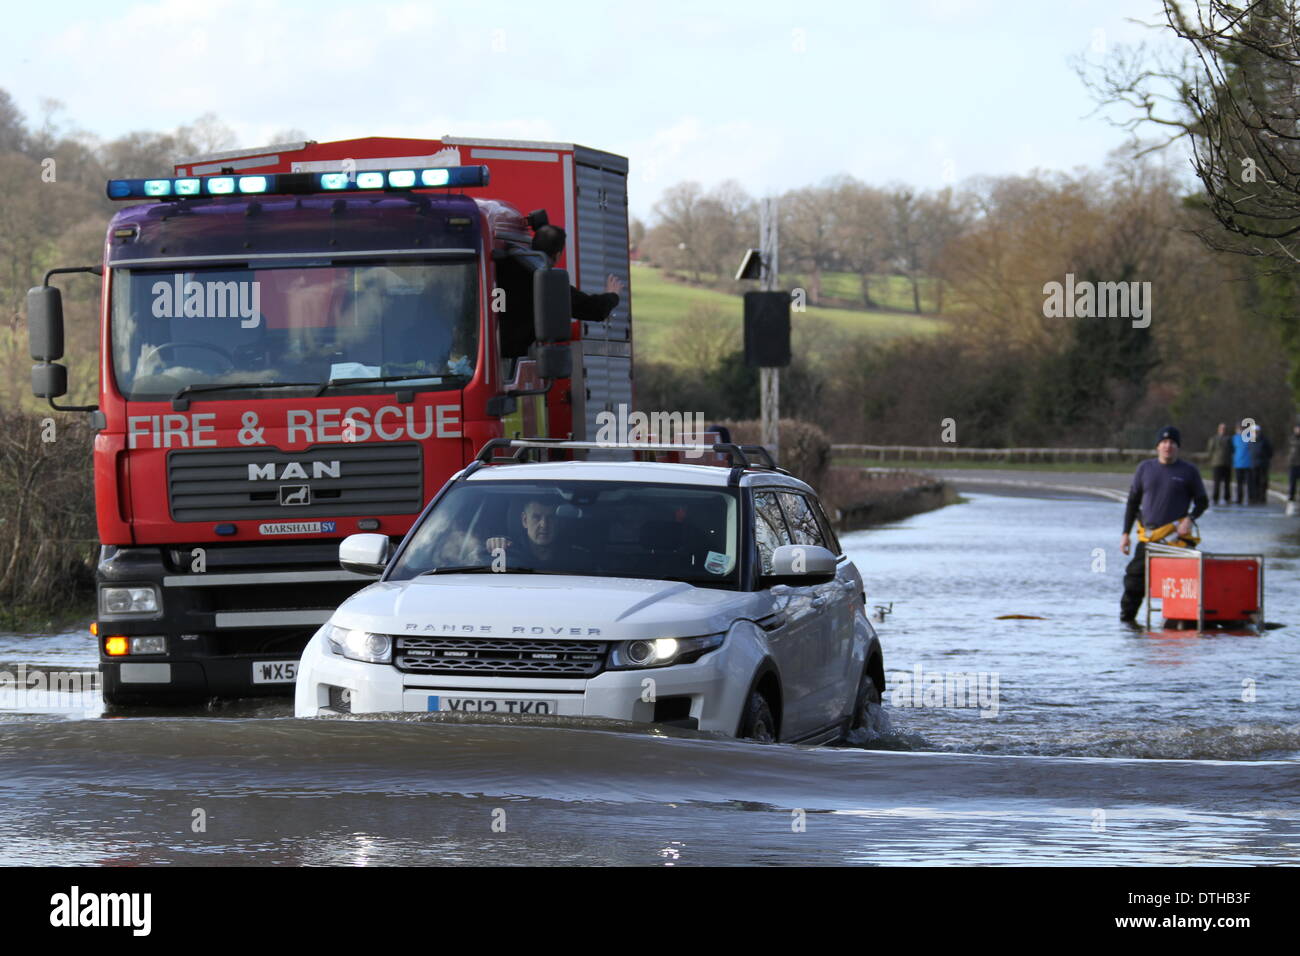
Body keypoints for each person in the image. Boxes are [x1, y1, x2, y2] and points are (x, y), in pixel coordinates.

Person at [1119, 426, 1209, 624]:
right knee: (1134, 579)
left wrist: (1190, 519)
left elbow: (1202, 502)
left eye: (1172, 443)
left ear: (1177, 447)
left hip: (1176, 540)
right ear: (1157, 446)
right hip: (1149, 537)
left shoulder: (1189, 471)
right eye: (1164, 442)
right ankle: (1127, 624)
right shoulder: (1145, 468)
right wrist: (1125, 533)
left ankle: (1179, 620)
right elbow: (1133, 502)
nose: (1168, 446)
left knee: (1182, 583)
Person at [485, 496, 587, 571]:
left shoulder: (577, 559)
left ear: (558, 522)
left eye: (550, 518)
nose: (544, 525)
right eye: (536, 517)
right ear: (525, 520)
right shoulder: (505, 553)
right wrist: (491, 546)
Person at [1205, 422, 1233, 505]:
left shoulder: (1229, 439)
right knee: (1217, 482)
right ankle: (1215, 498)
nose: (1223, 430)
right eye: (1221, 428)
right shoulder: (1213, 439)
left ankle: (1227, 498)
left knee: (1227, 482)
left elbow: (1232, 450)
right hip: (1217, 463)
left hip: (1227, 463)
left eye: (1224, 429)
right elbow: (1210, 450)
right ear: (1219, 429)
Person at [1250, 424, 1273, 504]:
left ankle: (1262, 497)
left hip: (1263, 464)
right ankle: (1255, 497)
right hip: (1254, 463)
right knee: (1254, 481)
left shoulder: (1265, 440)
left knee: (1263, 481)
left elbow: (1270, 451)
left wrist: (1265, 458)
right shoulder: (1251, 440)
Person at [1232, 421, 1252, 505]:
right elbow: (1232, 450)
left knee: (1249, 483)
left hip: (1248, 463)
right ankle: (1239, 498)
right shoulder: (1234, 438)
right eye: (1239, 428)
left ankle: (1250, 498)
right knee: (1239, 483)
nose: (1240, 430)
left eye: (1242, 428)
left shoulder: (1249, 437)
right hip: (1238, 464)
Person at [1288, 424, 1300, 501]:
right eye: (1297, 429)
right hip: (1293, 463)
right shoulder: (1292, 438)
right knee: (1292, 482)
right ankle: (1291, 497)